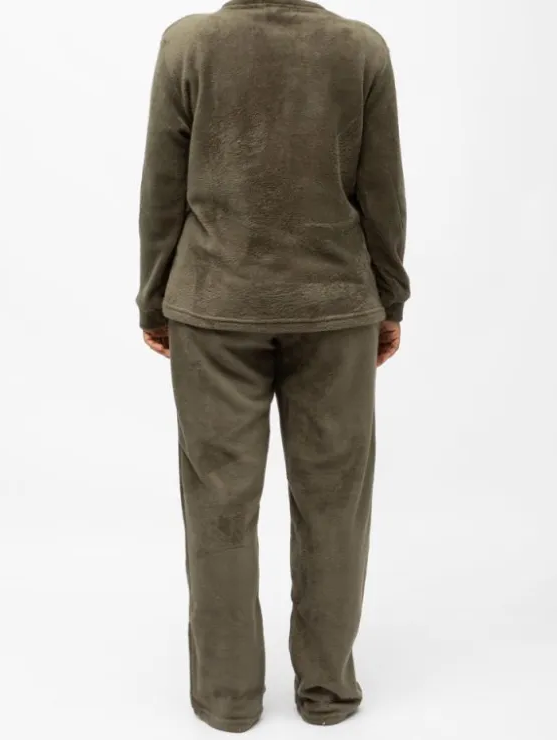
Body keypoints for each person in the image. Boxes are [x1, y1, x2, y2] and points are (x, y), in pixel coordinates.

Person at [136, 0, 410, 731]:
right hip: (336, 308)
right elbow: (382, 190)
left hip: (213, 306)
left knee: (219, 508)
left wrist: (154, 299)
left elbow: (162, 187)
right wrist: (388, 298)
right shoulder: (360, 49)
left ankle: (227, 700)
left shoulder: (189, 44)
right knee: (334, 506)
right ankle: (328, 692)